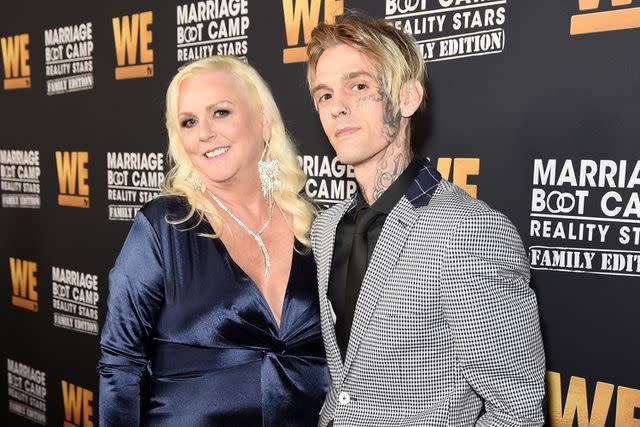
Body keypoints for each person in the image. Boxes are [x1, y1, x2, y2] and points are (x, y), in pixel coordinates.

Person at [306, 17, 546, 426]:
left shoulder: (469, 232)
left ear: (408, 97)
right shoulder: (327, 228)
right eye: (324, 94)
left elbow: (517, 413)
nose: (338, 106)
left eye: (358, 86)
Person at [98, 56, 330, 426]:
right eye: (188, 122)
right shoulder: (162, 227)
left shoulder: (319, 226)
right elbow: (120, 365)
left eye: (220, 112)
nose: (204, 132)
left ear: (263, 122)